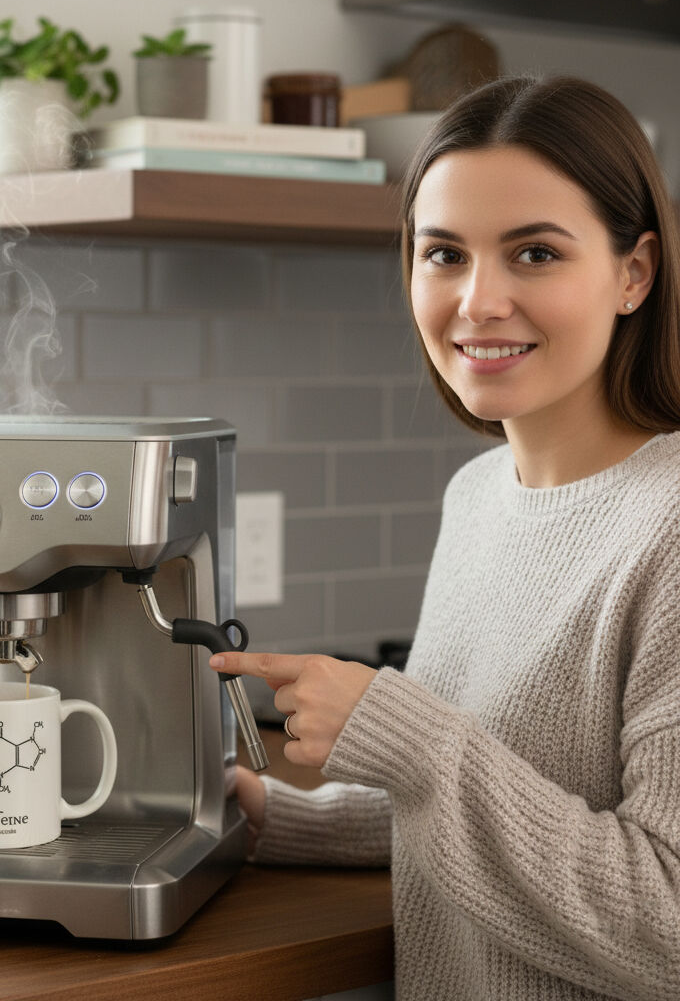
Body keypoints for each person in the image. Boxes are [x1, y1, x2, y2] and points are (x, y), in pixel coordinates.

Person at [210, 74, 680, 1000]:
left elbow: (665, 927)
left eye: (535, 253)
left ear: (634, 274)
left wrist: (406, 735)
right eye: (445, 254)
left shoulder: (669, 528)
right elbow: (475, 802)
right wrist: (272, 818)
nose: (478, 301)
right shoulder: (476, 497)